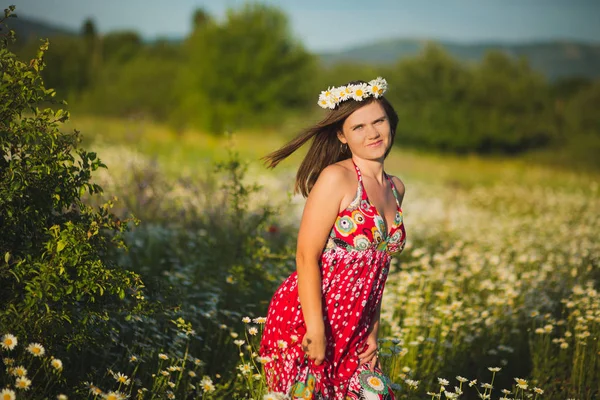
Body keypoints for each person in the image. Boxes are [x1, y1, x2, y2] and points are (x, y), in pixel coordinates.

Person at [258, 77, 407, 400]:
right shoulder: (337, 178)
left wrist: (373, 328)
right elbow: (305, 256)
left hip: (358, 326)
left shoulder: (396, 187)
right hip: (312, 317)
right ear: (342, 135)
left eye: (379, 121)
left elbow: (378, 267)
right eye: (359, 127)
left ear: (391, 122)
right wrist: (315, 330)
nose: (372, 133)